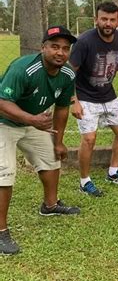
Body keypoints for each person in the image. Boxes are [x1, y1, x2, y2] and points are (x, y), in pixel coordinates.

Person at [0, 26, 80, 255]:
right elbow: (2, 102)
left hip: (33, 122)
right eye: (54, 46)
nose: (60, 53)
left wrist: (59, 141)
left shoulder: (67, 75)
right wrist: (31, 119)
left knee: (51, 159)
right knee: (4, 172)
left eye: (65, 48)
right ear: (42, 47)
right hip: (4, 121)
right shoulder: (24, 68)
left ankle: (50, 205)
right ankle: (1, 231)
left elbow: (63, 108)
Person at [69, 2, 118, 197]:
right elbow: (69, 72)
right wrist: (74, 100)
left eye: (112, 20)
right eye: (103, 19)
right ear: (96, 19)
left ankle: (113, 172)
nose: (107, 23)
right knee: (89, 139)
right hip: (85, 97)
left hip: (108, 95)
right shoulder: (84, 41)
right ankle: (84, 182)